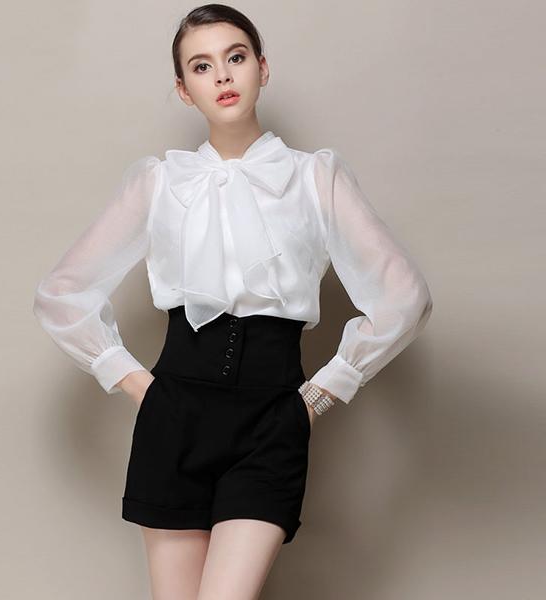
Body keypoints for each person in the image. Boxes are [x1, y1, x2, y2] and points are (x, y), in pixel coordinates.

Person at [32, 4, 433, 599]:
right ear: (183, 89)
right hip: (173, 419)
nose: (221, 75)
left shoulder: (314, 177)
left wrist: (321, 393)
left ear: (262, 69)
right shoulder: (160, 182)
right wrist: (137, 385)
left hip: (273, 422)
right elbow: (61, 293)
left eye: (235, 57)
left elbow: (405, 297)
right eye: (201, 66)